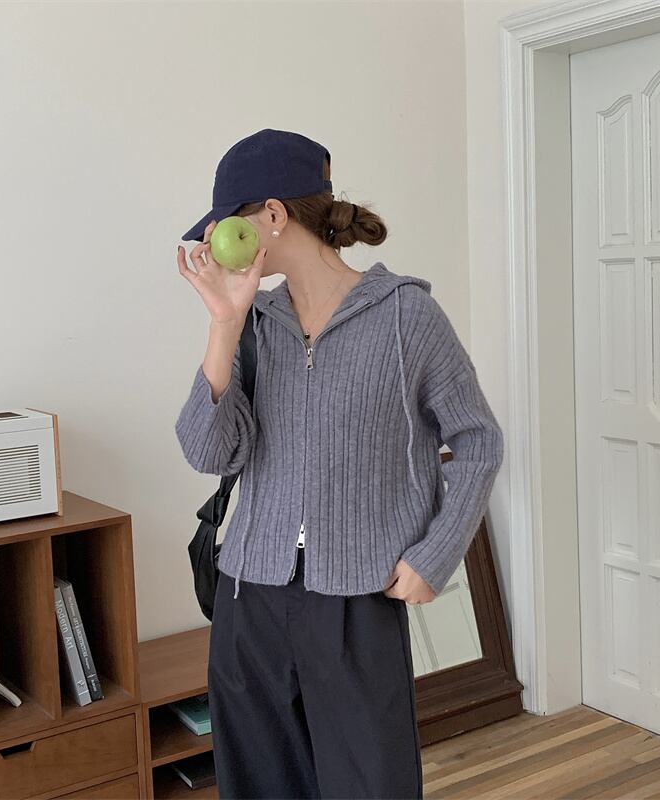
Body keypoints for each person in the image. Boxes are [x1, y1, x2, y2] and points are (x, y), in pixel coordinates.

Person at [174, 128, 504, 800]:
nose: (213, 241)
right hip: (249, 598)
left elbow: (479, 441)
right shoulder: (254, 324)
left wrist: (435, 554)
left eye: (227, 221)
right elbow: (207, 452)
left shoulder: (406, 318)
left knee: (370, 785)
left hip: (358, 600)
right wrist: (224, 324)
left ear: (271, 215)